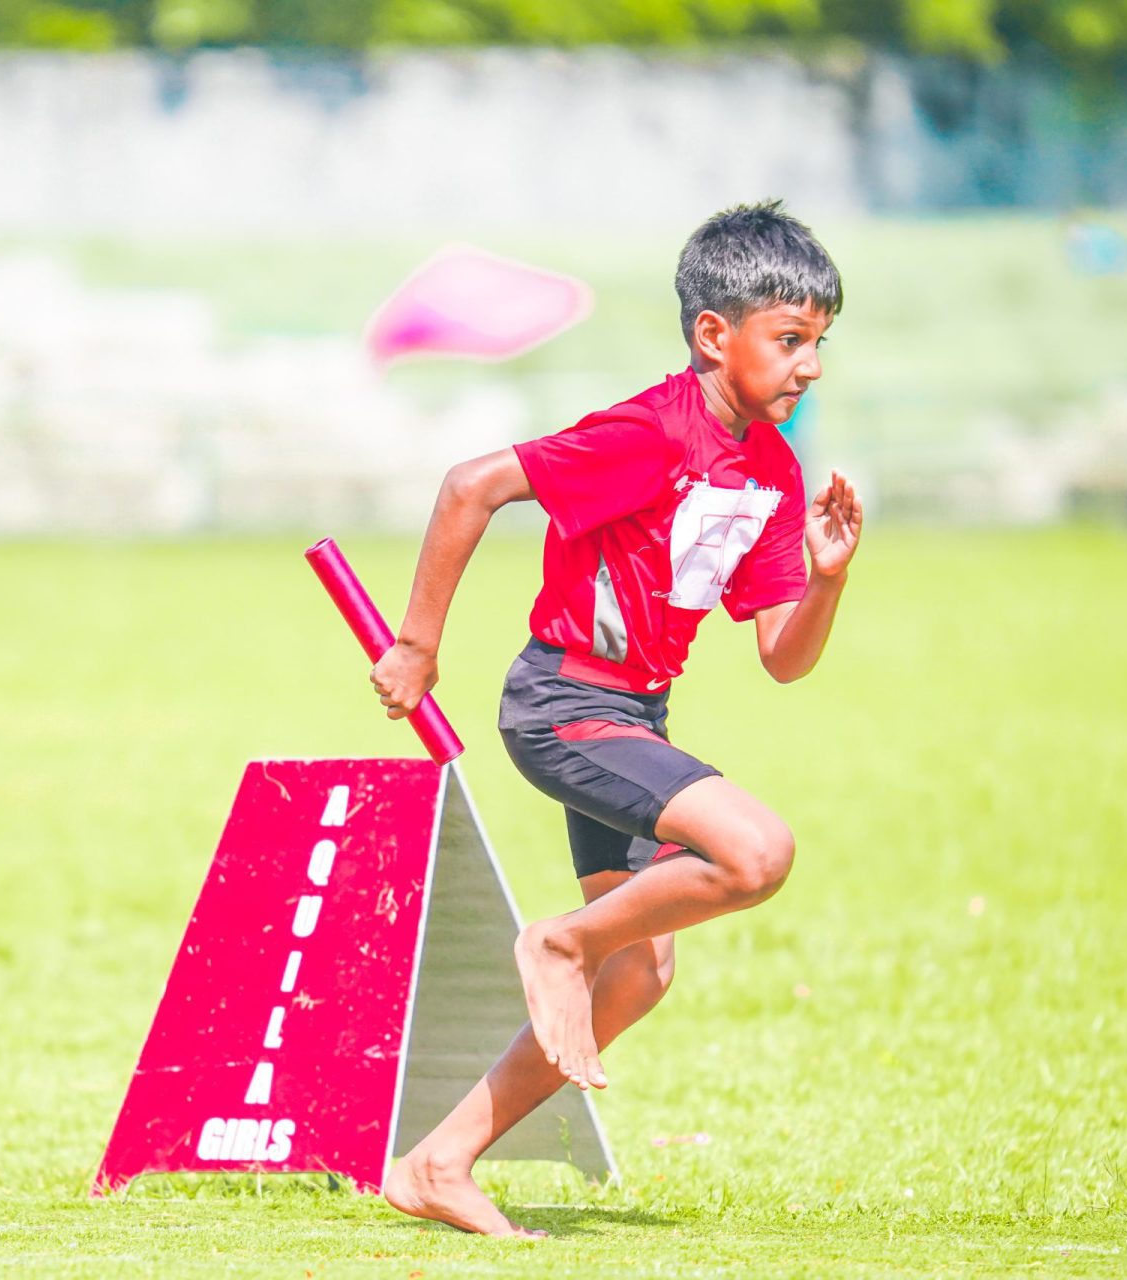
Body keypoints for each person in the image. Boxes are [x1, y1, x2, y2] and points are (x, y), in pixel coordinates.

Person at [369, 201, 864, 1237]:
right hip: (561, 703)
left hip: (632, 711)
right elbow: (471, 487)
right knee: (756, 850)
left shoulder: (771, 470)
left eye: (820, 342)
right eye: (790, 340)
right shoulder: (649, 432)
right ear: (712, 335)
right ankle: (556, 943)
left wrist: (825, 581)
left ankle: (436, 1161)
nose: (810, 365)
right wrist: (418, 643)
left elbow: (783, 656)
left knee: (639, 968)